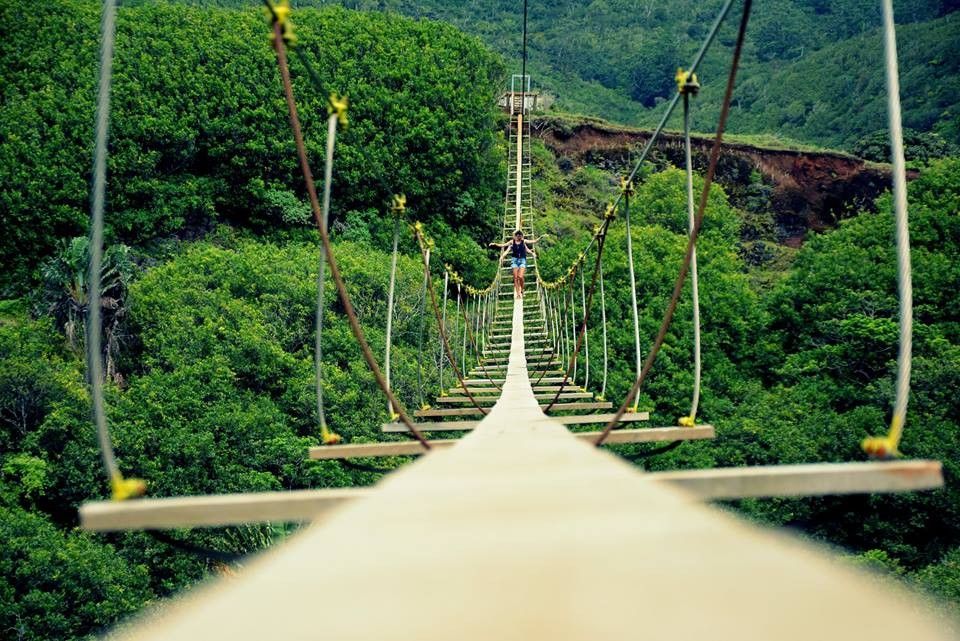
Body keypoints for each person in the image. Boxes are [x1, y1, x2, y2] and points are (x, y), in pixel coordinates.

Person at [490, 230, 546, 299]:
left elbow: (533, 242)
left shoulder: (524, 241)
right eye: (517, 235)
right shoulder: (512, 242)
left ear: (521, 236)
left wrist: (540, 238)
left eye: (520, 235)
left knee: (520, 276)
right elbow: (504, 246)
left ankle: (522, 289)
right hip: (514, 260)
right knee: (516, 278)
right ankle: (518, 294)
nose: (518, 236)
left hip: (522, 260)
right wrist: (496, 246)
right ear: (515, 236)